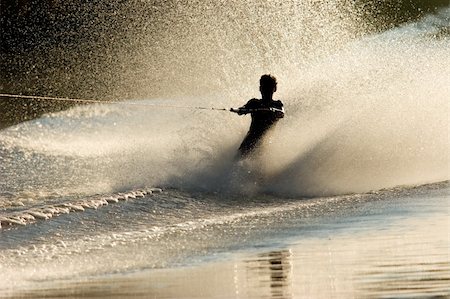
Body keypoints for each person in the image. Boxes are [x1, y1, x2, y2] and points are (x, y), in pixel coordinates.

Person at [231, 74, 284, 157]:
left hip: (266, 144)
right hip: (249, 141)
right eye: (264, 87)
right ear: (260, 89)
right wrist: (239, 110)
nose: (266, 90)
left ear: (274, 89)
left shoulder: (277, 105)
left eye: (269, 88)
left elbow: (281, 113)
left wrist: (270, 111)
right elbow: (243, 109)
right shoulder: (254, 103)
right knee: (236, 161)